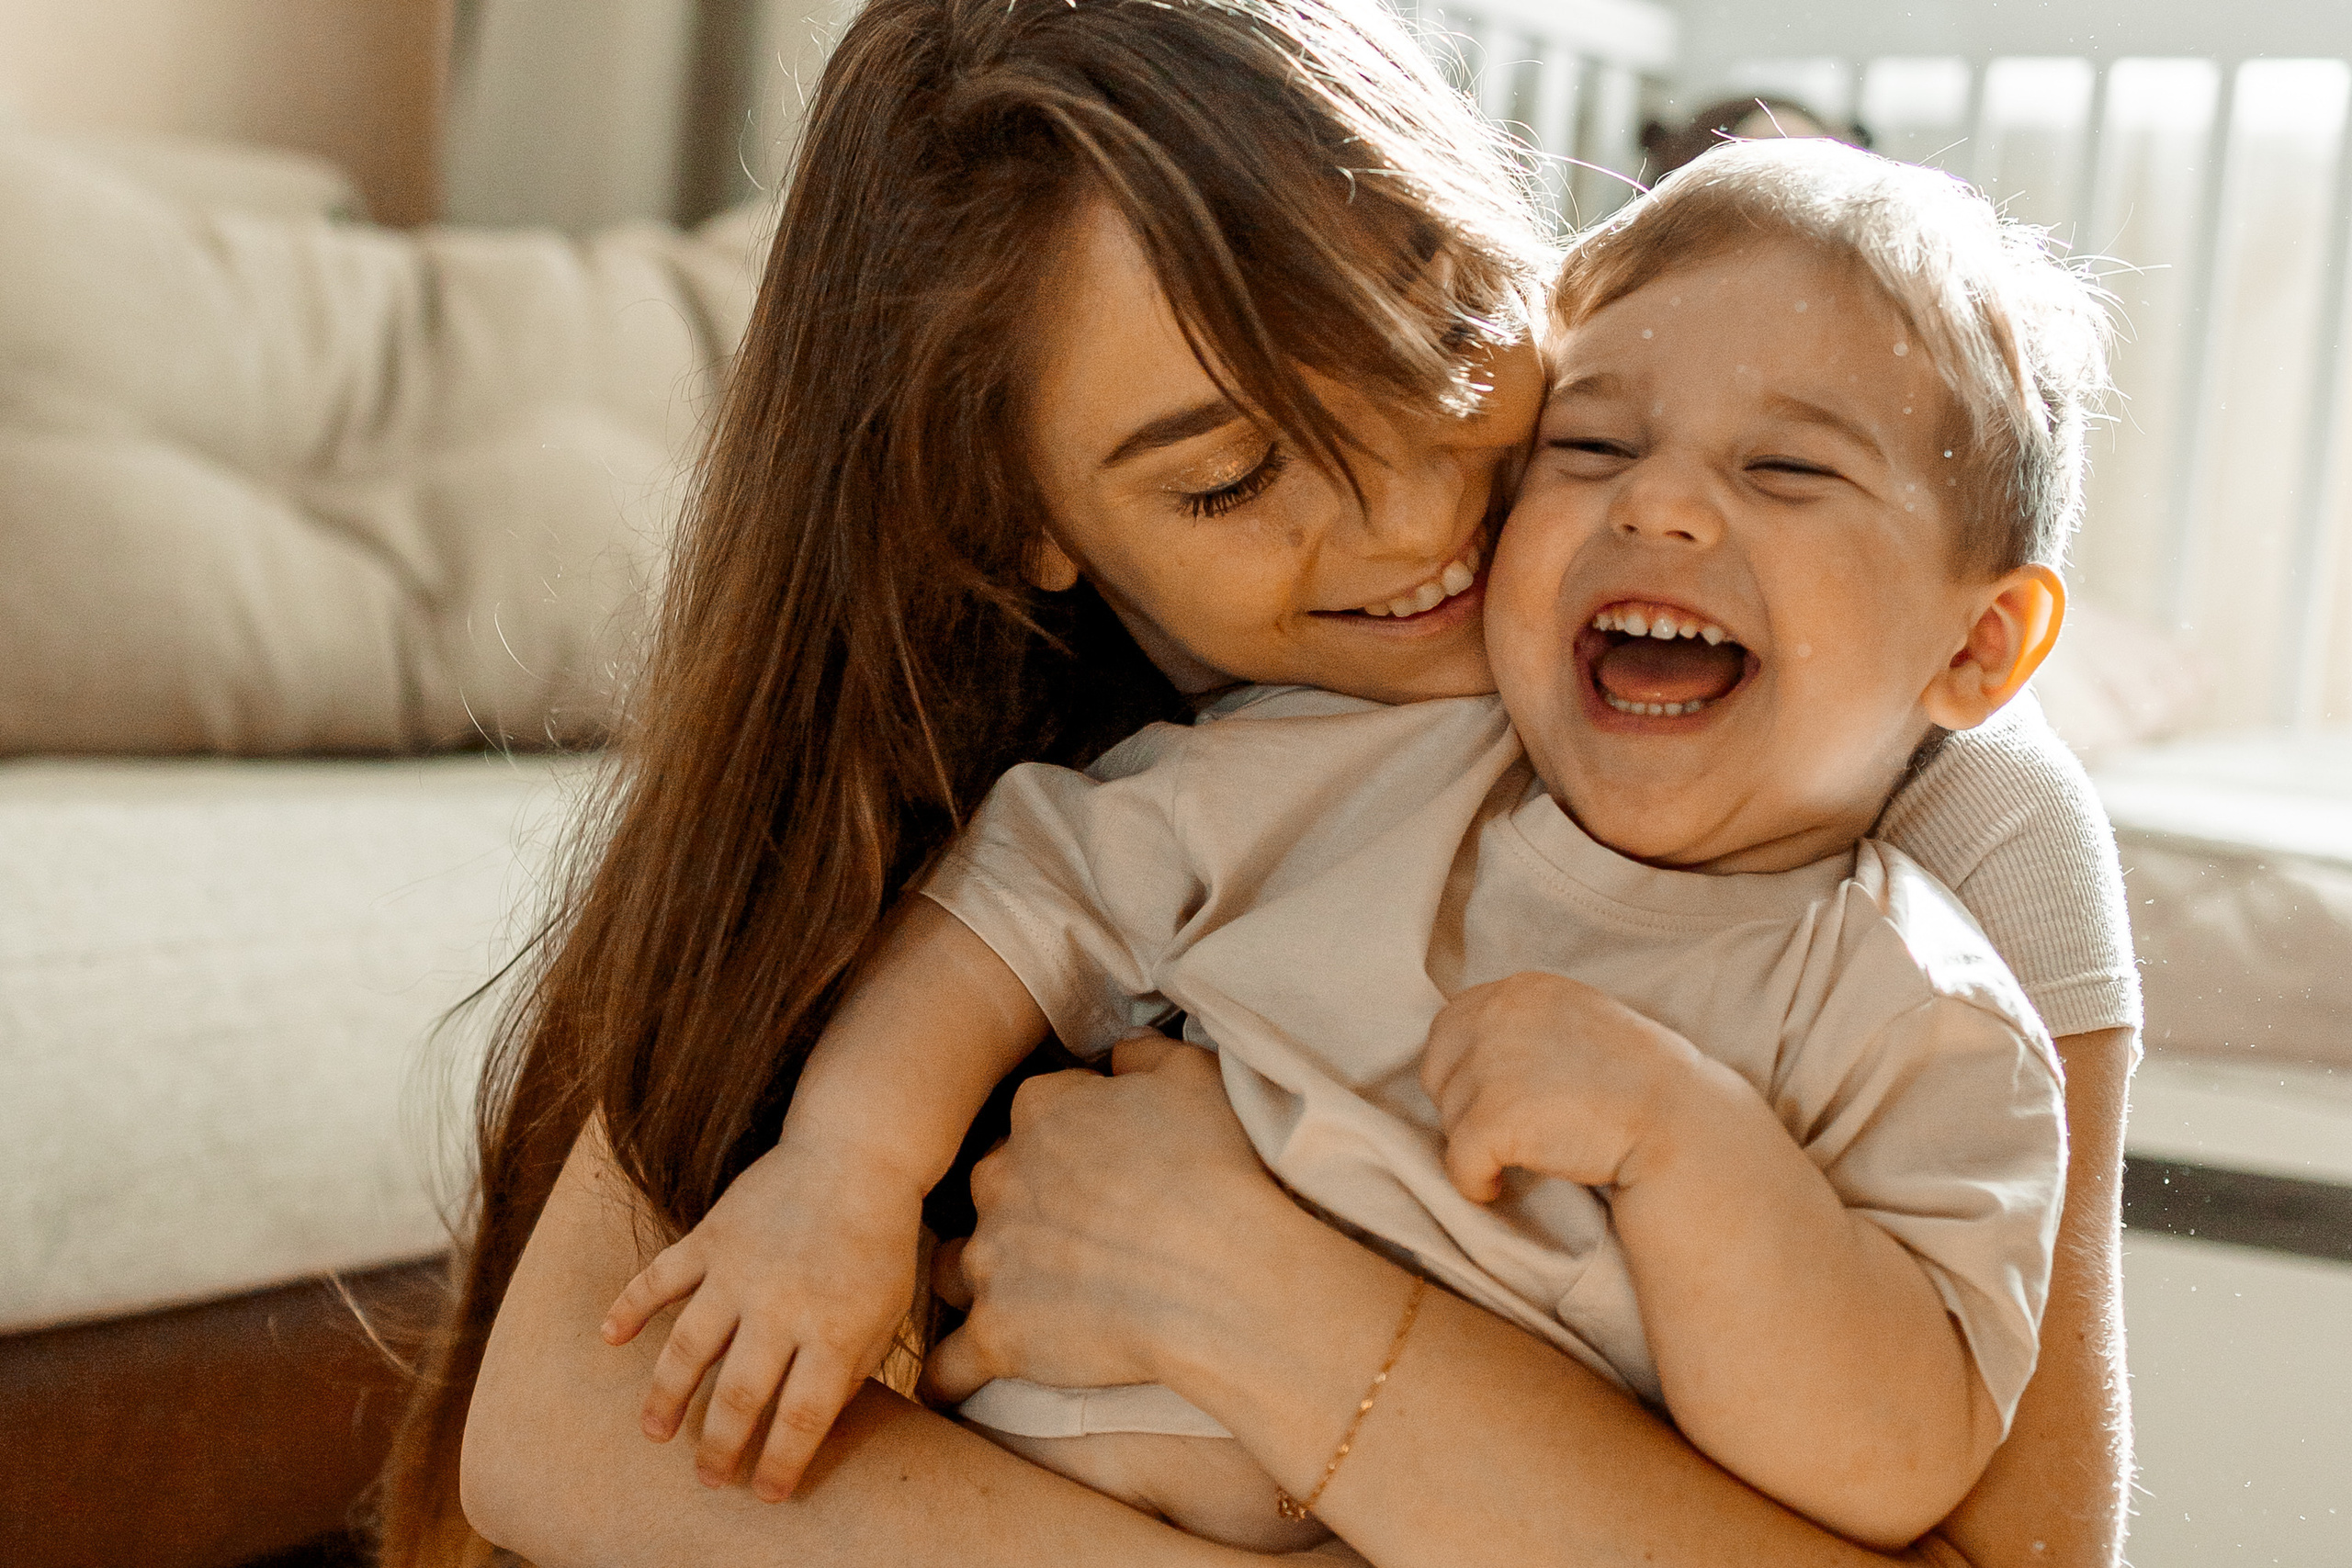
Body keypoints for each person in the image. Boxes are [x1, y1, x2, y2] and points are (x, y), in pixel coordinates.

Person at [386, 0, 2140, 1562]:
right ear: (1015, 522)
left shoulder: (1935, 803)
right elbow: (560, 1439)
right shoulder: (1090, 760)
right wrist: (850, 1175)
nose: (1415, 516)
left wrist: (1263, 1304)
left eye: (1443, 337)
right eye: (1230, 479)